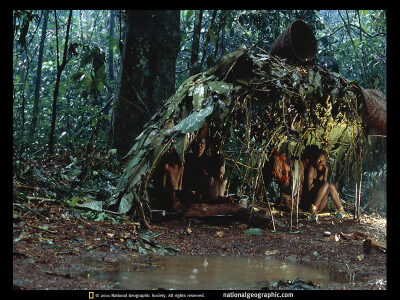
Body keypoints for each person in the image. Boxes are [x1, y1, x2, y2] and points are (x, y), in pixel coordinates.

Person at [301, 147, 347, 215]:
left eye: (323, 161)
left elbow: (325, 185)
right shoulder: (311, 168)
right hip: (311, 203)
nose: (321, 162)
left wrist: (325, 174)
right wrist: (321, 185)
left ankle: (341, 210)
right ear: (315, 160)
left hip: (319, 205)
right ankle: (312, 210)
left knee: (330, 185)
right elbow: (309, 188)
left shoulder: (322, 171)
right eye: (319, 160)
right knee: (326, 185)